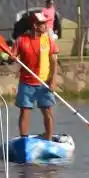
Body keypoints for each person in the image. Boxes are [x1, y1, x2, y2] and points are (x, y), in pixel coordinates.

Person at [10, 11, 58, 140]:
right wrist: (11, 57)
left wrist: (53, 80)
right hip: (26, 82)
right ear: (35, 25)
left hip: (44, 83)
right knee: (25, 111)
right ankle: (24, 139)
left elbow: (54, 61)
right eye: (42, 24)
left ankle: (48, 137)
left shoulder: (49, 40)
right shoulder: (21, 40)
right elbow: (12, 58)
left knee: (47, 111)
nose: (46, 26)